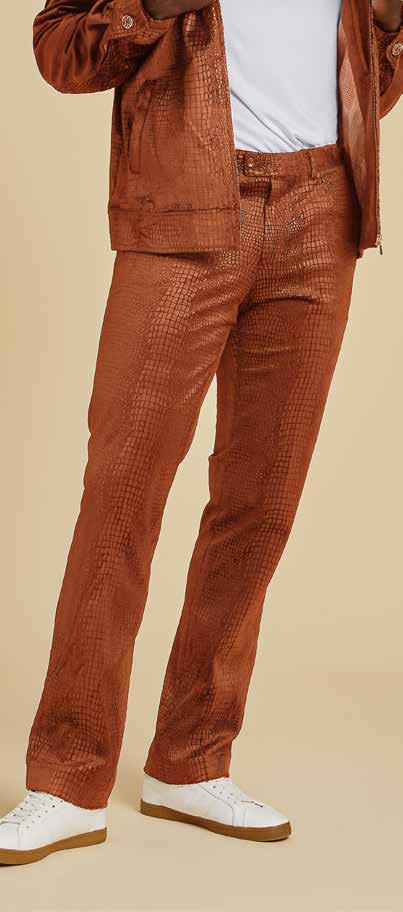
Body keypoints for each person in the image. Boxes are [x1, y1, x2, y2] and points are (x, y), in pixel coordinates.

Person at [1, 0, 402, 865]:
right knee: (122, 495)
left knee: (260, 505)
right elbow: (60, 50)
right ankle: (67, 780)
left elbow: (371, 87)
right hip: (184, 205)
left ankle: (190, 760)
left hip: (323, 211)